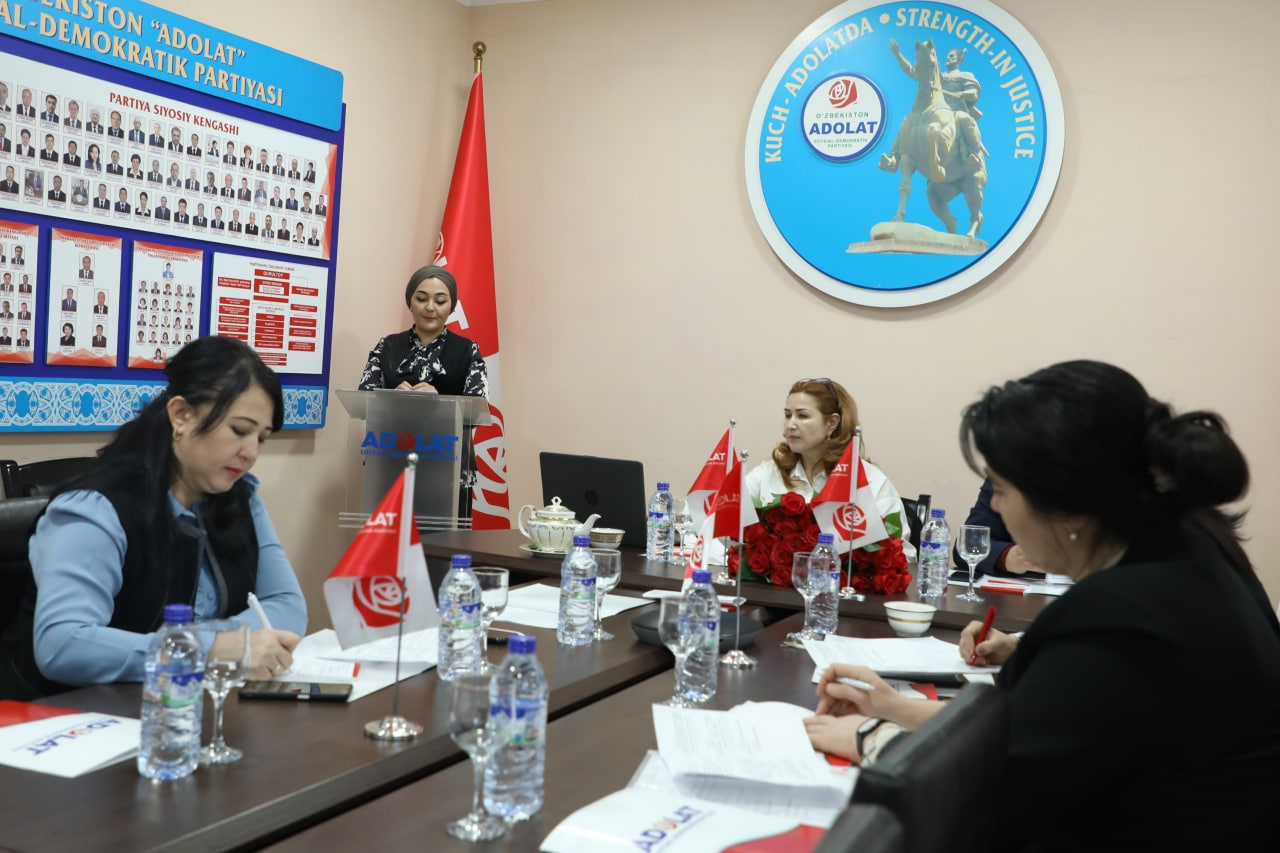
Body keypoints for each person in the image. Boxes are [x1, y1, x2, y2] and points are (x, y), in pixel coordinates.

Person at [804, 360, 1280, 851]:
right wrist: (897, 708)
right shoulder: (1195, 544)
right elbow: (1043, 726)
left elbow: (995, 791)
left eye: (1002, 490)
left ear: (1069, 507)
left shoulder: (1121, 615)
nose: (998, 508)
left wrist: (873, 737)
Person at [0, 336, 307, 700]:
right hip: (70, 714)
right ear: (182, 415)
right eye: (239, 431)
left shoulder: (241, 498)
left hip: (178, 703)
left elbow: (287, 606)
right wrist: (206, 649)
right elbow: (63, 645)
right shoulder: (95, 508)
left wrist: (216, 646)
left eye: (262, 438)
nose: (251, 452)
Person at [742, 378, 913, 560]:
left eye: (802, 416)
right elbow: (727, 532)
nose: (790, 425)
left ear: (832, 423)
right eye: (788, 415)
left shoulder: (871, 482)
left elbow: (902, 557)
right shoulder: (766, 474)